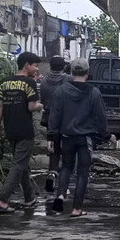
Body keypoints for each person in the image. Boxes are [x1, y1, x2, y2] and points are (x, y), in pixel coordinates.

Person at [47, 58, 116, 217]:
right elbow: (100, 117)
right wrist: (107, 135)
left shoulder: (61, 91)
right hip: (85, 138)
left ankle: (60, 195)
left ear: (71, 72)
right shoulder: (94, 92)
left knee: (66, 167)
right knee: (82, 173)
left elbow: (54, 115)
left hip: (66, 137)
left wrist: (51, 136)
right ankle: (77, 208)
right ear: (87, 72)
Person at [0, 52, 44, 212]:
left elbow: (0, 106)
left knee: (21, 164)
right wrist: (40, 106)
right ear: (26, 64)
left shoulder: (5, 82)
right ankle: (2, 199)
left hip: (10, 128)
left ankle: (29, 198)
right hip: (25, 129)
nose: (36, 69)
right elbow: (31, 107)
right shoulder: (29, 82)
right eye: (35, 66)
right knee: (18, 165)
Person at [40, 55, 72, 193]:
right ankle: (64, 185)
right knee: (67, 152)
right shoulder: (68, 80)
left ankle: (52, 174)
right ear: (64, 67)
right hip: (65, 120)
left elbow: (43, 100)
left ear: (50, 66)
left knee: (53, 150)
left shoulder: (43, 82)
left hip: (49, 120)